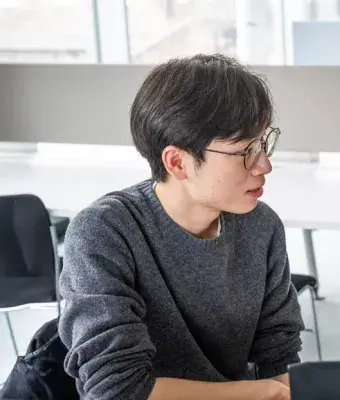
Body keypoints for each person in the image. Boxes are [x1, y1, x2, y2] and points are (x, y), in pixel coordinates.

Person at [58, 54, 303, 400]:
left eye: (265, 143)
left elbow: (278, 354)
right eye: (245, 150)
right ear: (178, 162)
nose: (265, 165)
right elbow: (118, 390)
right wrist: (259, 393)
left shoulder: (261, 226)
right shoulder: (104, 232)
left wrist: (276, 390)